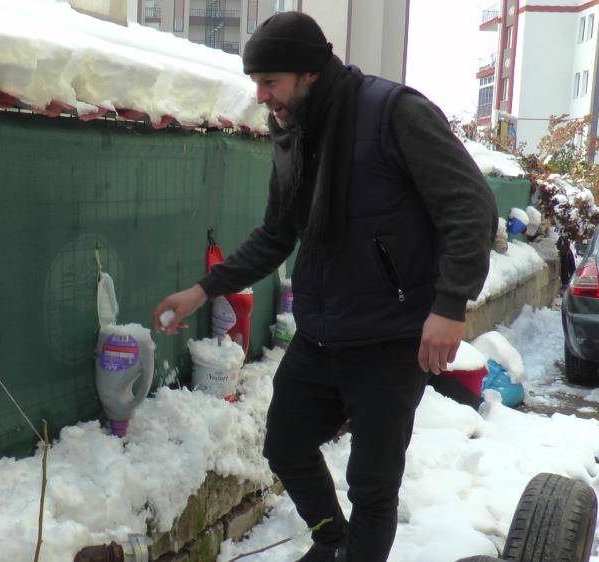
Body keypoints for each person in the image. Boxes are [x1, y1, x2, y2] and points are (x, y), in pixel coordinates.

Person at [152, 12, 497, 562]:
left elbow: (470, 206)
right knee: (285, 446)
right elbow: (277, 234)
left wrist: (450, 305)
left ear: (309, 72)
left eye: (270, 83)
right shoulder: (293, 132)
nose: (262, 96)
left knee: (372, 486)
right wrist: (203, 290)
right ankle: (332, 541)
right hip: (322, 332)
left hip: (392, 334)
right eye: (257, 83)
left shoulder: (393, 113)